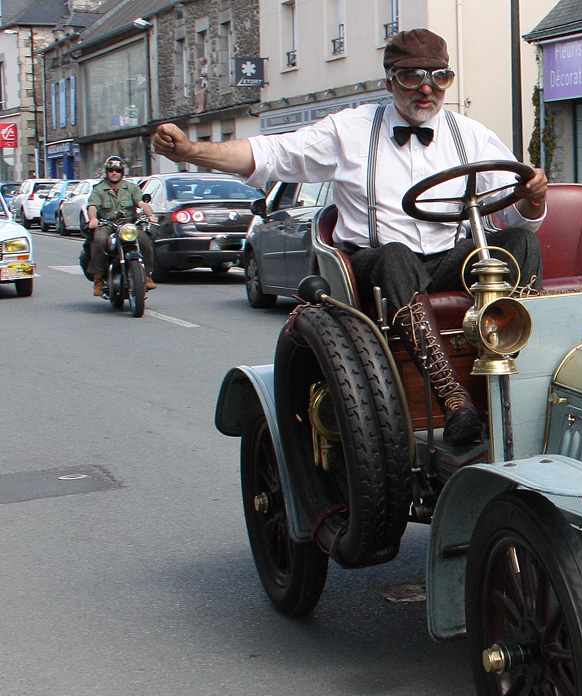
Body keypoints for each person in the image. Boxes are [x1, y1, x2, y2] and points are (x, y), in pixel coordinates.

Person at [151, 28, 547, 444]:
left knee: (521, 246)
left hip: (450, 257)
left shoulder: (471, 135)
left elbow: (520, 212)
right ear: (390, 80)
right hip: (376, 264)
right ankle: (455, 401)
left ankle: (520, 379)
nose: (428, 89)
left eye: (440, 78)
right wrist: (192, 152)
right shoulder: (350, 129)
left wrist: (533, 199)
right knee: (396, 255)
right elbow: (272, 154)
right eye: (413, 78)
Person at [86, 156, 157, 297]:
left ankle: (147, 274)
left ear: (122, 172)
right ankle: (98, 279)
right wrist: (93, 218)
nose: (114, 173)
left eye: (117, 170)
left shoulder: (131, 188)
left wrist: (149, 215)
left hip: (127, 224)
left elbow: (142, 203)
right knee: (99, 240)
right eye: (111, 170)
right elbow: (93, 205)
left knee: (144, 239)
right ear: (107, 172)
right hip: (107, 224)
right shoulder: (99, 189)